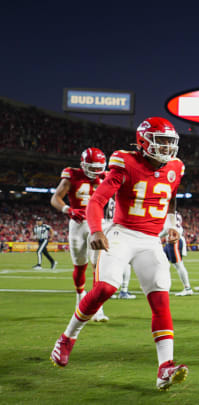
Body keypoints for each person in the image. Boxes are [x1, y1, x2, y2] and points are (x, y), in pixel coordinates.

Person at [50, 117, 189, 390]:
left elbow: (171, 197)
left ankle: (165, 367)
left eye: (169, 142)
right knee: (104, 288)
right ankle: (67, 338)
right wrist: (95, 230)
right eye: (160, 141)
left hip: (151, 240)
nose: (166, 147)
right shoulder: (126, 162)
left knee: (160, 298)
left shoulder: (175, 167)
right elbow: (98, 200)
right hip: (122, 234)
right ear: (143, 141)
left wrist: (171, 225)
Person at [50, 147, 111, 321]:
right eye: (91, 168)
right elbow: (55, 198)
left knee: (97, 265)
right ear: (83, 165)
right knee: (80, 265)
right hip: (77, 224)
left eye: (97, 168)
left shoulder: (106, 176)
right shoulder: (71, 175)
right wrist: (68, 209)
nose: (94, 172)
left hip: (98, 225)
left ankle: (97, 308)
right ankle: (79, 298)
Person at [160, 212, 193, 296]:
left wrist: (156, 236)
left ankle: (187, 288)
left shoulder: (168, 214)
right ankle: (161, 284)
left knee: (179, 265)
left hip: (174, 240)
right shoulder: (176, 213)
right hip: (170, 240)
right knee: (161, 262)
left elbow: (167, 229)